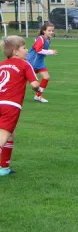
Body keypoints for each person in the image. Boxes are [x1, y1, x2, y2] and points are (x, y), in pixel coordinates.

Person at [0, 36, 40, 176]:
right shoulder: (24, 64)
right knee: (3, 135)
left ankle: (4, 168)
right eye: (24, 47)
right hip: (11, 105)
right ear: (16, 51)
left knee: (10, 135)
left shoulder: (2, 64)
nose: (27, 50)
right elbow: (34, 84)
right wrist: (37, 89)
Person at [26, 22, 57, 104]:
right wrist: (50, 52)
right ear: (44, 31)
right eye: (49, 30)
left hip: (39, 63)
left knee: (46, 77)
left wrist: (47, 53)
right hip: (32, 62)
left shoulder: (48, 40)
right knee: (21, 81)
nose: (51, 32)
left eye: (52, 31)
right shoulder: (41, 39)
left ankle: (38, 96)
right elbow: (38, 50)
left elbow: (42, 51)